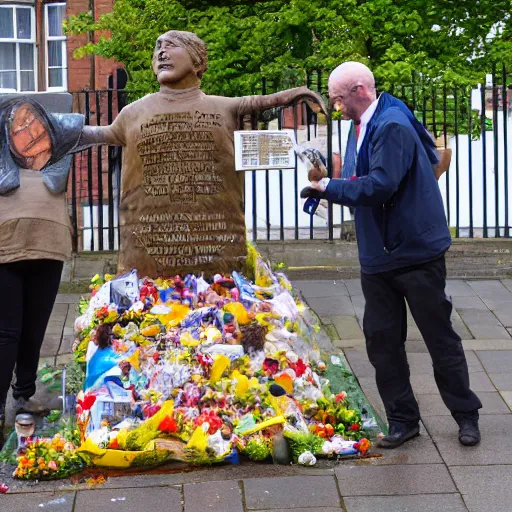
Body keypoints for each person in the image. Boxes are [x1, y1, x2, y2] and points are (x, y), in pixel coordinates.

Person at [301, 62, 482, 448]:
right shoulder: (360, 126)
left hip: (415, 252)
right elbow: (360, 177)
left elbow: (381, 185)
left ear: (360, 91)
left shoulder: (392, 125)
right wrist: (329, 183)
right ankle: (403, 420)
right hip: (378, 254)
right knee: (381, 340)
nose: (335, 105)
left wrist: (329, 188)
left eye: (337, 97)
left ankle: (466, 414)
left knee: (439, 337)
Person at [75, 30, 327, 278]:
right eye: (158, 47)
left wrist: (300, 93)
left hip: (218, 254)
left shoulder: (224, 108)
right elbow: (97, 134)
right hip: (148, 251)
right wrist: (56, 129)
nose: (162, 52)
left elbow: (265, 101)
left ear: (197, 61)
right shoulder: (133, 113)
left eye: (172, 45)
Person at [0, 98, 84, 444]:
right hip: (6, 246)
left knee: (32, 329)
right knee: (8, 332)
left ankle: (25, 395)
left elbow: (110, 133)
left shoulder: (60, 145)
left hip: (48, 245)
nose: (28, 133)